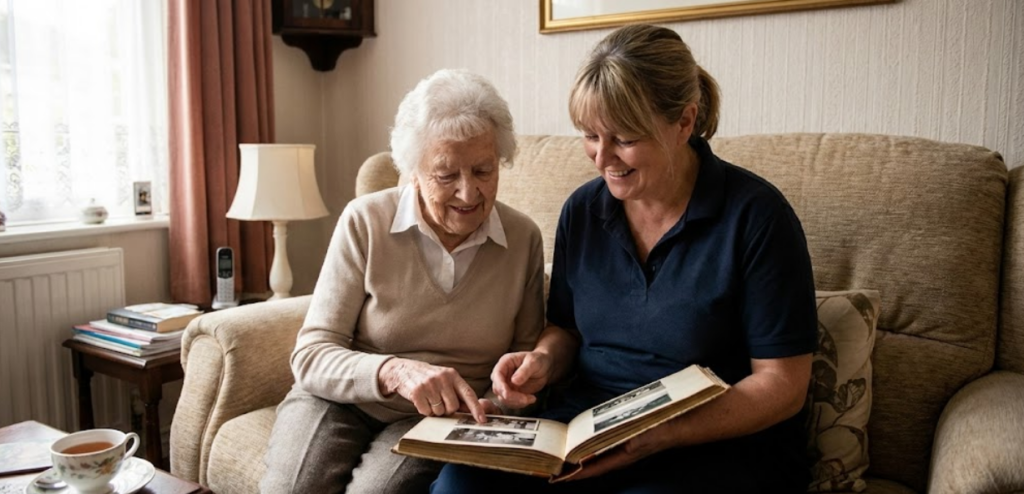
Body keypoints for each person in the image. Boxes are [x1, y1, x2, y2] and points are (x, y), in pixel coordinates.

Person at [432, 24, 817, 493]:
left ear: (684, 122)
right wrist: (541, 362)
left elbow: (782, 386)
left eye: (624, 138)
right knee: (460, 483)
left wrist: (662, 434)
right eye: (590, 135)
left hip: (709, 441)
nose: (601, 158)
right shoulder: (583, 210)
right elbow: (568, 329)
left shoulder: (757, 217)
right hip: (589, 423)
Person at [260, 69, 546, 494]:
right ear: (413, 170)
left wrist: (502, 400)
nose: (469, 194)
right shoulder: (365, 221)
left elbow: (521, 364)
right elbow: (311, 354)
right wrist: (393, 372)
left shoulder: (523, 240)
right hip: (342, 398)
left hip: (439, 417)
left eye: (483, 171)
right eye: (446, 175)